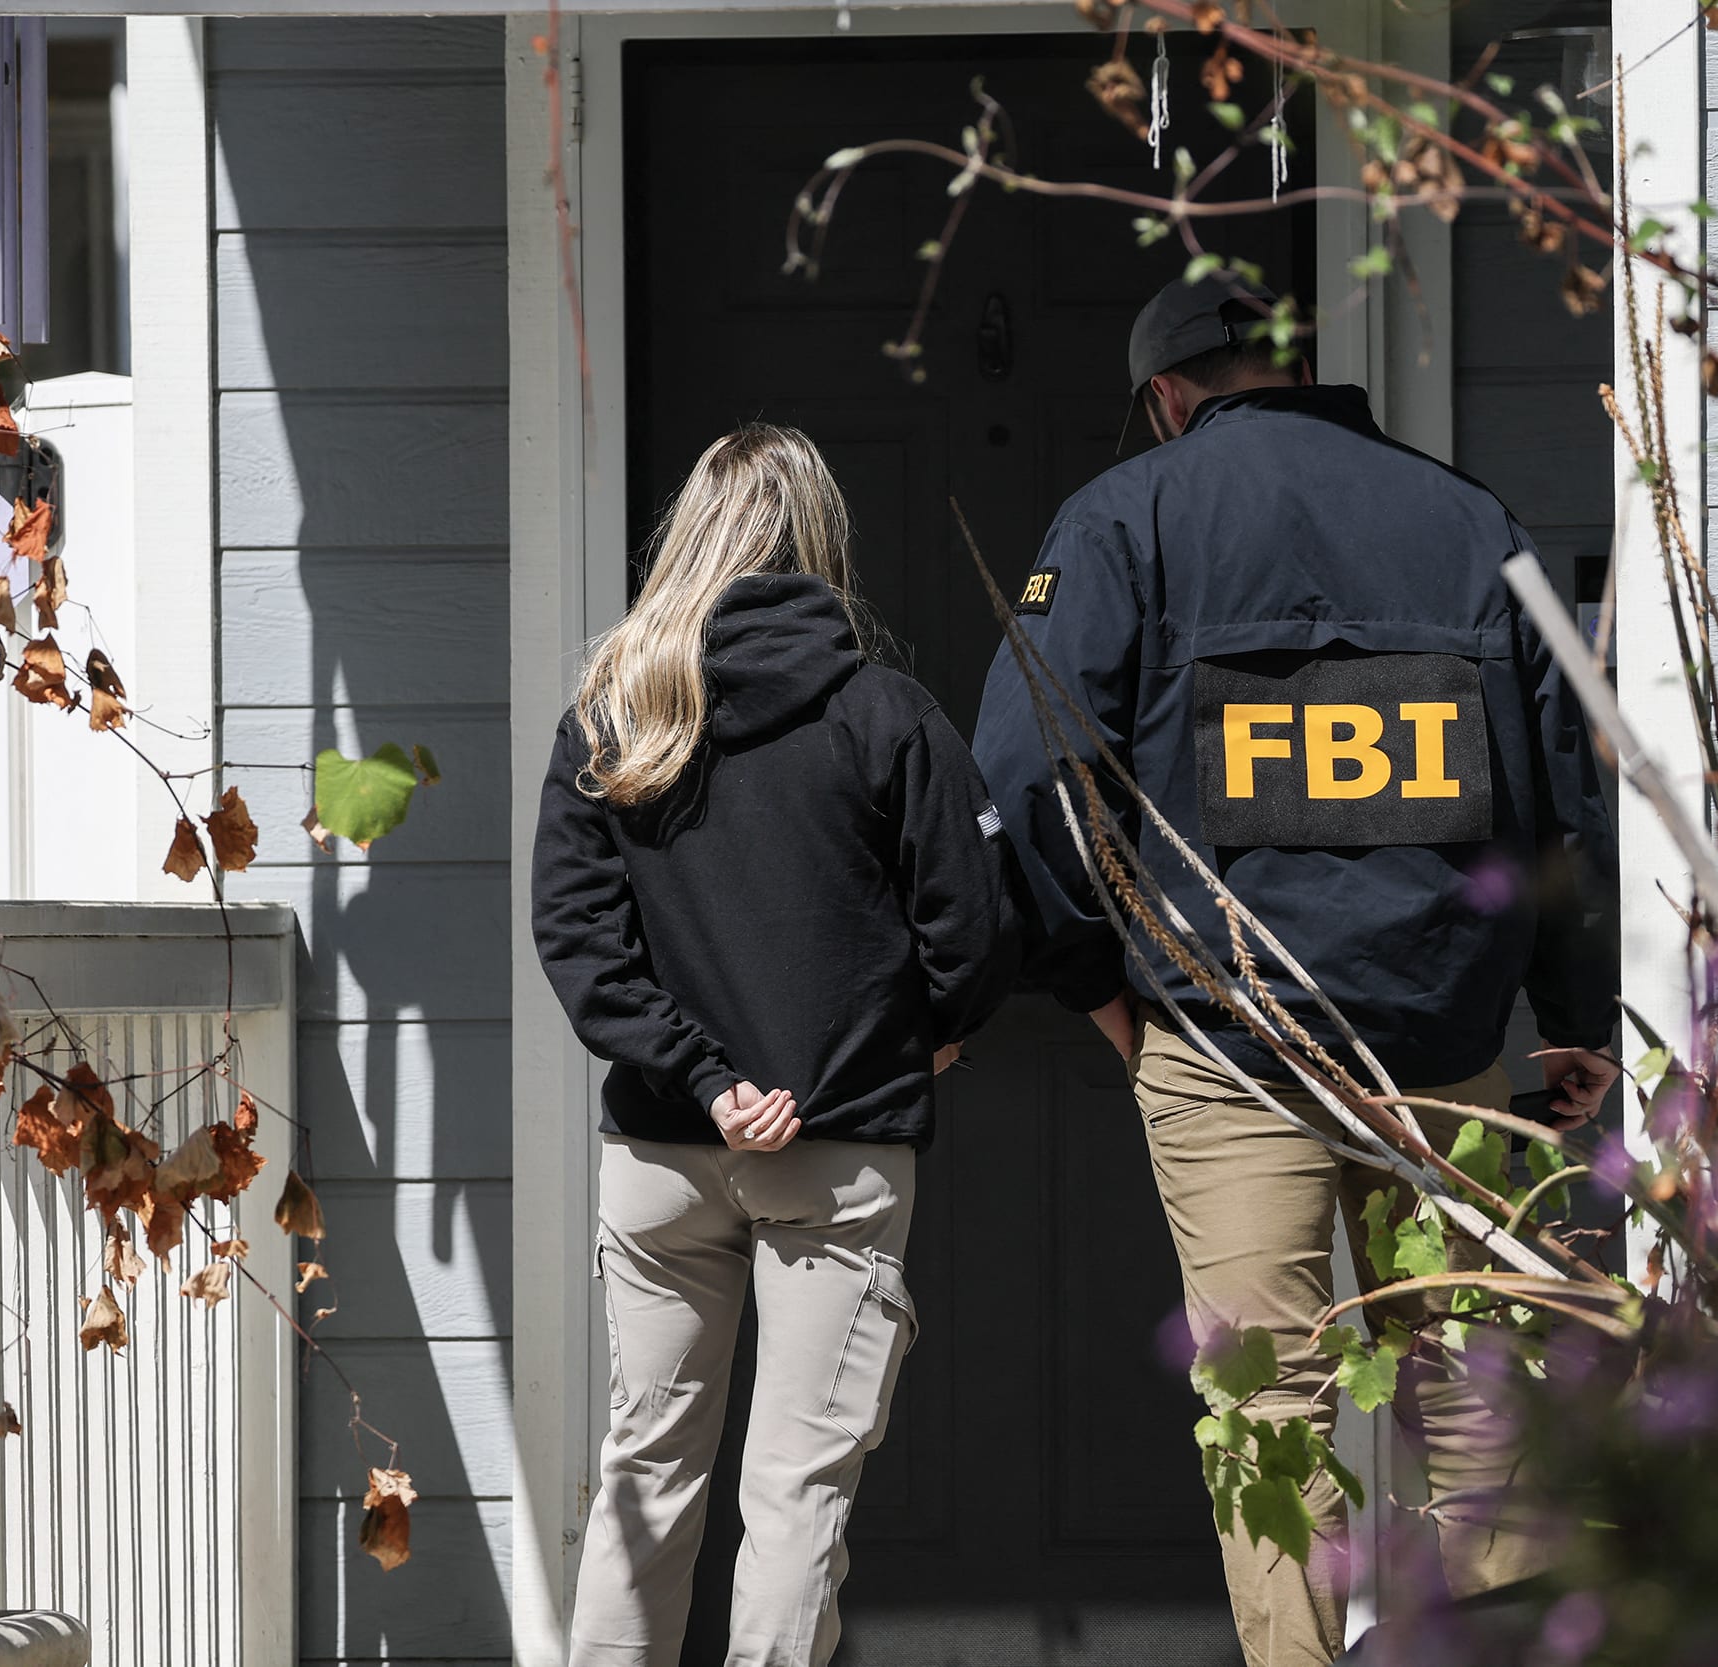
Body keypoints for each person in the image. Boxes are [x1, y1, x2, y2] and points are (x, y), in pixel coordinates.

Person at [972, 275, 1620, 1666]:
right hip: (1449, 1044)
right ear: (1302, 365)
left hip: (1226, 1041)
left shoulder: (1122, 518)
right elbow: (1569, 789)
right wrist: (1568, 1015)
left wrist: (1103, 981)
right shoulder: (1468, 516)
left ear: (1166, 397)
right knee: (1478, 1391)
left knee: (1269, 1412)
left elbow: (1026, 775)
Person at [532, 424, 1019, 1667]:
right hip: (838, 1153)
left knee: (644, 1473)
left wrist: (701, 1076)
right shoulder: (880, 712)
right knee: (796, 1492)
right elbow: (972, 919)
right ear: (820, 543)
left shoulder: (614, 713)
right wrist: (927, 1042)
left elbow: (579, 941)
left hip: (658, 1154)